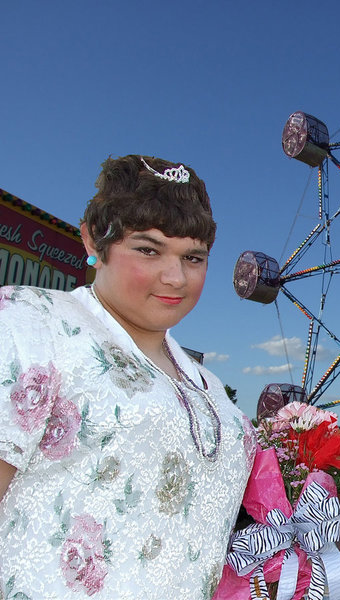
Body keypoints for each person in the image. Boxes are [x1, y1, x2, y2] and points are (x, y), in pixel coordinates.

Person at [0, 155, 256, 599]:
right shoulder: (34, 323)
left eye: (193, 257)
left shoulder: (209, 386)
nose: (175, 277)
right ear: (94, 241)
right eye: (148, 249)